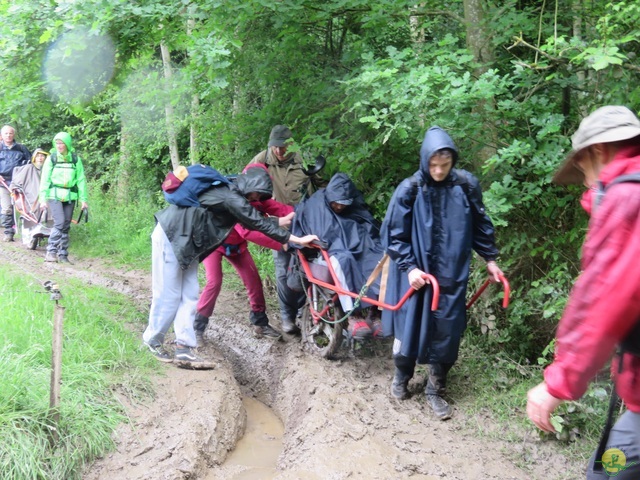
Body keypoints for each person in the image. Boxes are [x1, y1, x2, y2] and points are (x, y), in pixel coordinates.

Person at [526, 106, 640, 479]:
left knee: (607, 470)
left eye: (583, 170)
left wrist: (558, 384)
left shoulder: (627, 201)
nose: (587, 181)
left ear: (597, 152)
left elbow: (604, 302)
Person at [380, 126, 503, 420]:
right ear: (425, 160)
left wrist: (490, 258)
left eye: (444, 165)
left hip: (452, 275)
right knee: (409, 327)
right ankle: (401, 377)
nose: (438, 171)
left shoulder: (465, 185)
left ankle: (435, 388)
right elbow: (393, 235)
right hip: (415, 275)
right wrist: (409, 267)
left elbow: (481, 224)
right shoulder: (410, 189)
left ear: (453, 162)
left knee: (447, 331)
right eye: (433, 165)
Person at [143, 165, 317, 368]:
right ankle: (152, 340)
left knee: (189, 294)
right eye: (256, 195)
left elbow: (252, 218)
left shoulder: (231, 193)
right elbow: (254, 222)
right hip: (171, 236)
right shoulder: (229, 196)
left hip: (188, 243)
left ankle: (184, 347)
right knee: (169, 293)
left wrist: (280, 222)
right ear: (251, 187)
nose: (256, 200)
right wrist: (298, 239)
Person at [194, 164, 295, 344]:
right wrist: (282, 244)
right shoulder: (234, 198)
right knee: (214, 282)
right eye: (255, 191)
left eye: (260, 192)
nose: (256, 196)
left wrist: (303, 212)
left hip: (237, 247)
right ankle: (198, 327)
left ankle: (260, 323)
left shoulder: (257, 197)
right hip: (215, 243)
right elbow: (247, 231)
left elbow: (280, 208)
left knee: (254, 281)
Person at [291, 172, 385, 339]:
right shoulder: (315, 207)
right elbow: (310, 231)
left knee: (379, 256)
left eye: (344, 204)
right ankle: (353, 315)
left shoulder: (353, 207)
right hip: (326, 254)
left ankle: (376, 312)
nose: (340, 207)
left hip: (355, 248)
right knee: (344, 260)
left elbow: (367, 226)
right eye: (337, 204)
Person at [249, 124, 324, 334]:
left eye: (283, 148)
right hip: (277, 223)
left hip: (304, 221)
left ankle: (303, 312)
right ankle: (286, 316)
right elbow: (247, 187)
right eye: (276, 148)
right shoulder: (261, 160)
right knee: (282, 270)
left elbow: (323, 186)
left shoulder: (306, 159)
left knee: (306, 268)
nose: (279, 152)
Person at [38, 132, 88, 264]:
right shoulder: (52, 158)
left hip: (70, 196)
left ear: (67, 143)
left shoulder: (75, 159)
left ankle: (63, 254)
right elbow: (45, 180)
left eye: (62, 143)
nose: (59, 145)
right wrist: (42, 199)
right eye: (57, 143)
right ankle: (51, 252)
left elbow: (81, 180)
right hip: (54, 195)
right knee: (59, 222)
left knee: (66, 225)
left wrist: (84, 200)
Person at [10, 149, 50, 244]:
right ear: (34, 158)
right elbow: (15, 182)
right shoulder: (28, 168)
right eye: (38, 156)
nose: (40, 158)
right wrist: (16, 190)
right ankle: (31, 234)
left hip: (44, 195)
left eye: (42, 156)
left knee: (50, 204)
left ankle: (45, 229)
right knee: (33, 206)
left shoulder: (47, 169)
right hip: (29, 195)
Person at [0, 125, 31, 242]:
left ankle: (27, 232)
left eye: (10, 133)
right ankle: (9, 232)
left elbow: (30, 164)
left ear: (14, 134)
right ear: (2, 135)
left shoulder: (21, 148)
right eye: (6, 133)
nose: (8, 135)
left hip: (19, 182)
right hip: (3, 183)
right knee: (7, 208)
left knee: (24, 207)